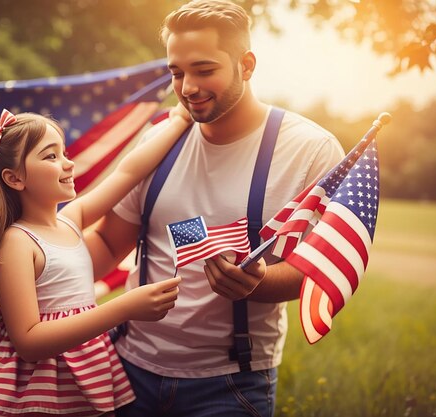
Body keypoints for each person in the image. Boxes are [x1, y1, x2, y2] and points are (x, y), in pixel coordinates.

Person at [85, 1, 346, 416]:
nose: (187, 87)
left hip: (231, 385)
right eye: (176, 72)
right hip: (127, 368)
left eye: (204, 70)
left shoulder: (309, 150)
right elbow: (106, 241)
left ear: (246, 64)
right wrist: (35, 275)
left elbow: (319, 267)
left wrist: (258, 281)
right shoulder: (159, 140)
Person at [0, 105, 192, 417]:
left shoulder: (71, 220)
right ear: (15, 178)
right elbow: (29, 340)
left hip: (83, 371)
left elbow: (127, 173)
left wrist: (178, 122)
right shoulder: (17, 242)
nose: (68, 163)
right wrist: (124, 308)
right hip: (37, 384)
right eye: (51, 156)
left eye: (64, 153)